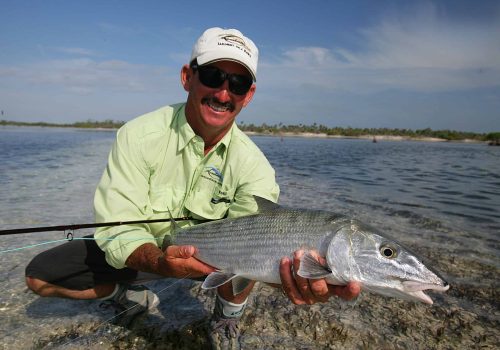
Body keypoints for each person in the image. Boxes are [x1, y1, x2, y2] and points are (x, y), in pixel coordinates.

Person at [25, 27, 360, 346]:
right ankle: (125, 295)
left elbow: (259, 244)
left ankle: (226, 318)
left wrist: (301, 279)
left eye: (238, 83)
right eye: (213, 77)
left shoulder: (255, 167)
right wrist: (160, 263)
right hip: (144, 255)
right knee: (39, 277)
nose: (223, 93)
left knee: (253, 253)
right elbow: (120, 228)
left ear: (249, 95)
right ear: (188, 77)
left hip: (213, 262)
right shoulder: (138, 135)